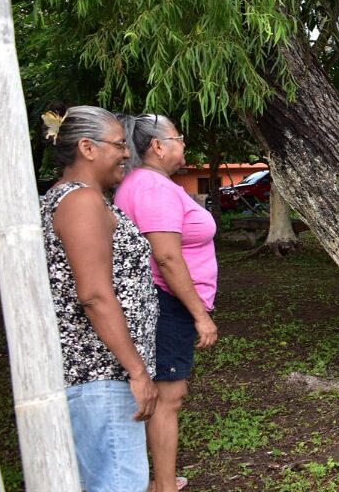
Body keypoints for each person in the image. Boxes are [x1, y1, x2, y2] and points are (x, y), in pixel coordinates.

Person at [39, 106, 158, 491]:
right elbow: (93, 295)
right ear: (87, 148)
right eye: (120, 145)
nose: (126, 154)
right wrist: (136, 371)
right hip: (100, 376)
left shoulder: (76, 198)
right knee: (119, 482)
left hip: (99, 377)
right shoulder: (81, 203)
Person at [114, 114, 218, 492]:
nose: (183, 144)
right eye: (178, 137)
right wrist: (200, 316)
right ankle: (163, 484)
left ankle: (158, 479)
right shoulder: (153, 188)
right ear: (157, 146)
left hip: (162, 301)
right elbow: (167, 258)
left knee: (162, 392)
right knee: (167, 395)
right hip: (165, 303)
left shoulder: (148, 184)